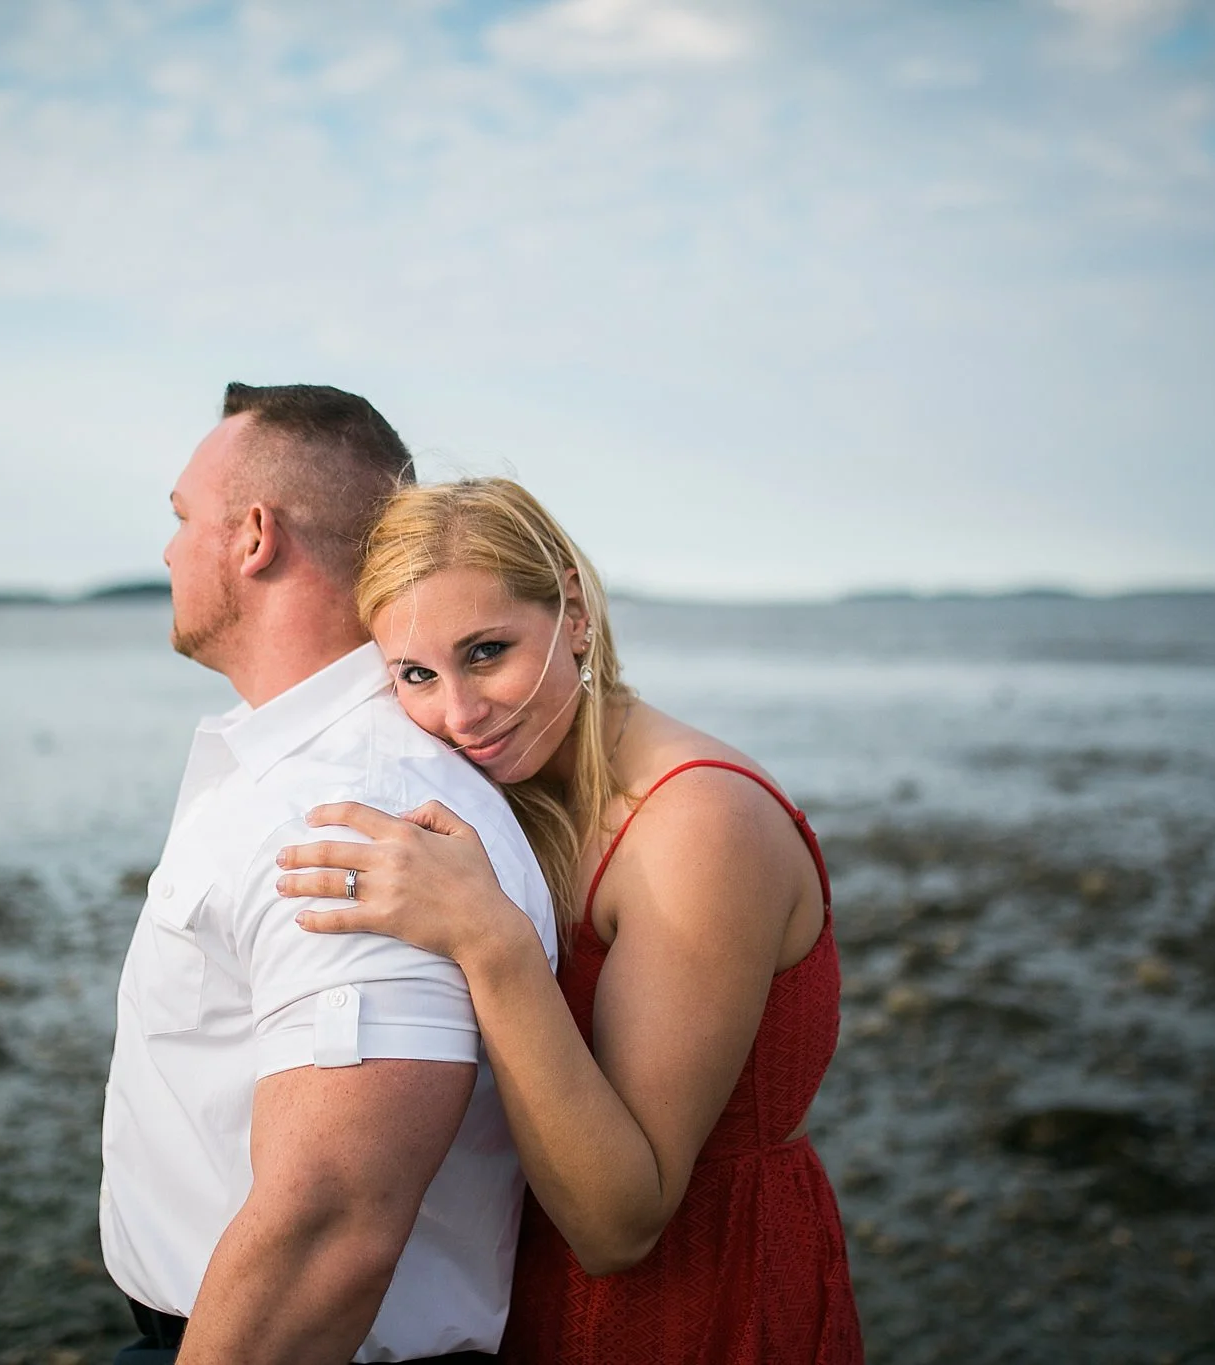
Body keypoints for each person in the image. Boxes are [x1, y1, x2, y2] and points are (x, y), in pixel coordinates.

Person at [274, 478, 863, 1365]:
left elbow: (620, 1223)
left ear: (576, 614)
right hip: (526, 1297)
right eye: (416, 674)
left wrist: (486, 937)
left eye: (487, 650)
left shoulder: (698, 827)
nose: (461, 714)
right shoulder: (518, 803)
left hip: (701, 1307)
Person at [100, 389, 557, 1365]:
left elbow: (332, 1225)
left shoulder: (352, 804)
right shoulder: (302, 772)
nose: (170, 551)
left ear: (254, 536)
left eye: (183, 519)